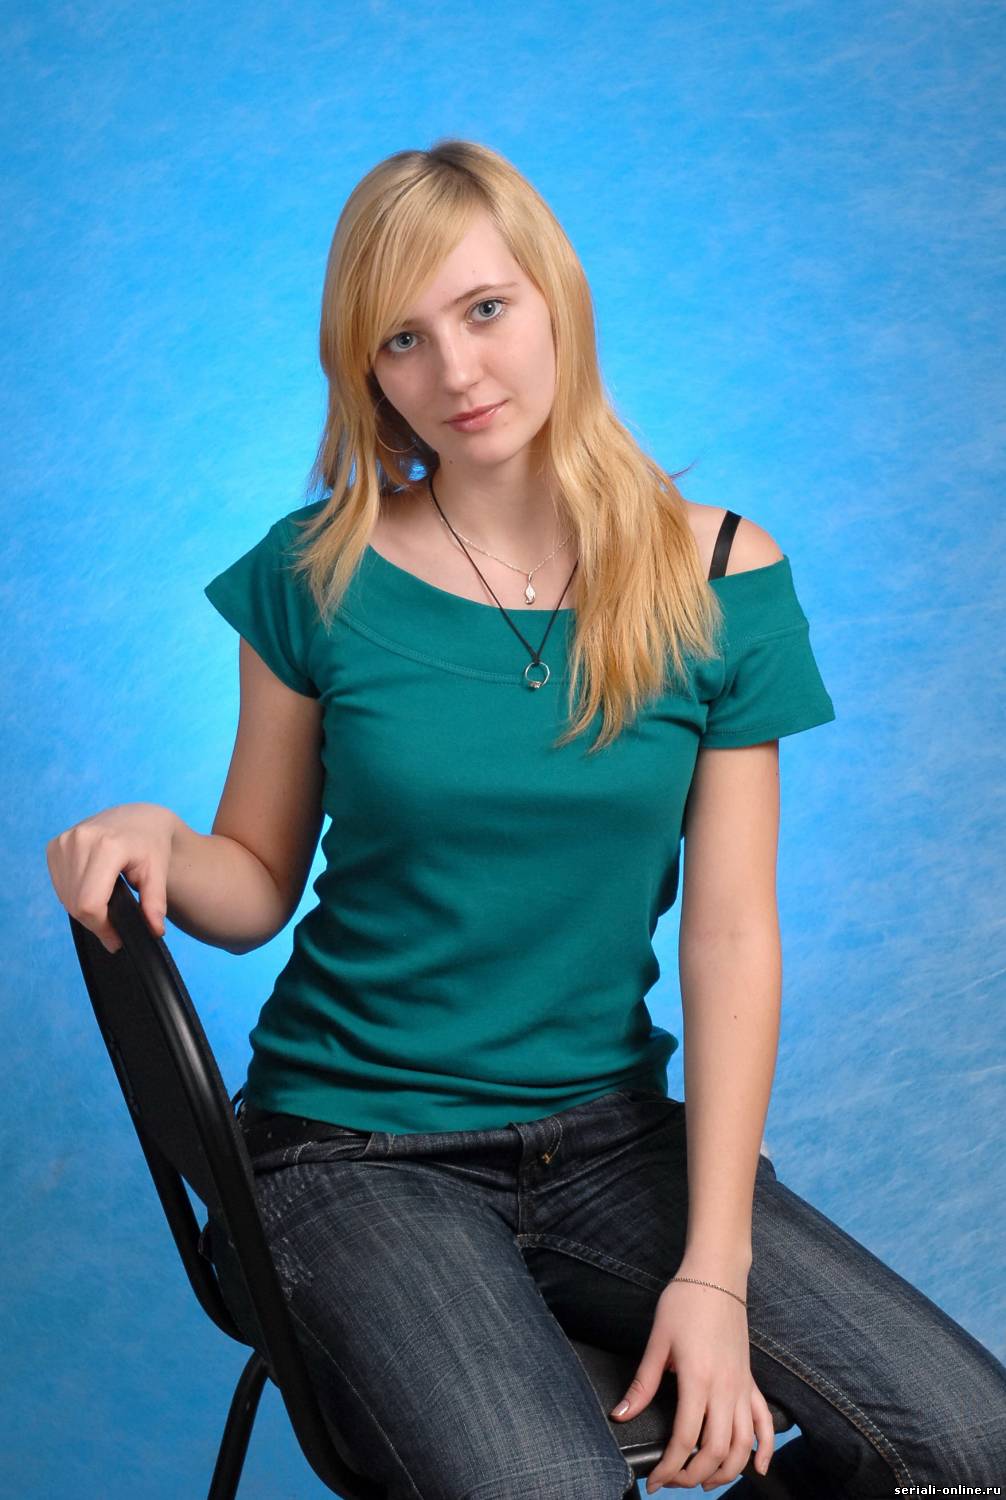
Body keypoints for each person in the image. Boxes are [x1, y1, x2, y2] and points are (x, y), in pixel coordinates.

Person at [46, 140, 1006, 1499]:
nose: (456, 371)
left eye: (485, 309)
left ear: (558, 299)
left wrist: (713, 1274)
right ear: (368, 372)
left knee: (966, 1445)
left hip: (615, 1139)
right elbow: (253, 882)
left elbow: (731, 935)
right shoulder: (314, 575)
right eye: (402, 339)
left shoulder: (721, 576)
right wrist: (157, 833)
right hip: (352, 1152)